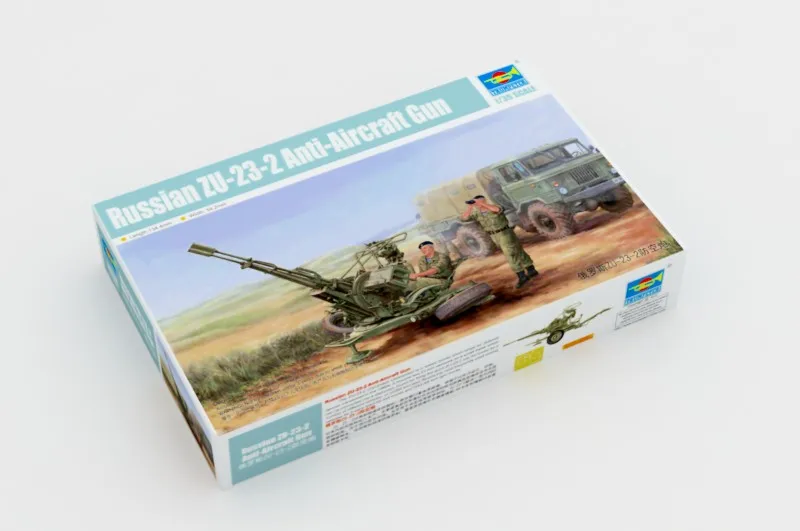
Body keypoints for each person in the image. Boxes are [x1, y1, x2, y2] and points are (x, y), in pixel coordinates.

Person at [461, 195, 538, 289]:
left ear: (483, 200)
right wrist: (470, 207)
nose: (476, 203)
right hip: (494, 236)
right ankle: (531, 269)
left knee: (510, 254)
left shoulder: (493, 206)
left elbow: (497, 210)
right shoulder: (476, 212)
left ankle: (522, 276)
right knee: (517, 250)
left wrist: (482, 204)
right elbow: (464, 218)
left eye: (477, 201)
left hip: (504, 233)